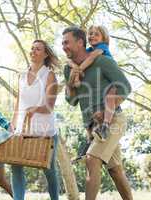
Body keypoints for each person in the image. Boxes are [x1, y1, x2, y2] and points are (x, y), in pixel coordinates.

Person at [62, 26, 133, 200]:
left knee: (91, 159)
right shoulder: (68, 69)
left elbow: (125, 87)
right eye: (62, 43)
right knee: (115, 170)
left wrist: (106, 109)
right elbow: (72, 101)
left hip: (112, 119)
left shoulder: (102, 61)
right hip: (93, 127)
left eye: (67, 42)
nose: (64, 46)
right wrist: (70, 83)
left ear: (80, 42)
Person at [10, 39, 59, 200]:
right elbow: (18, 103)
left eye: (38, 49)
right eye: (32, 49)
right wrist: (13, 123)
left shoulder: (49, 75)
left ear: (45, 54)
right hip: (22, 129)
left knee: (49, 169)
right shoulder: (22, 76)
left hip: (44, 131)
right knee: (15, 165)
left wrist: (36, 108)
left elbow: (49, 106)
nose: (33, 51)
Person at [69, 25, 116, 141]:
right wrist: (74, 66)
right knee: (88, 101)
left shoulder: (102, 47)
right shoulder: (89, 50)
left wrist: (78, 70)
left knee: (110, 98)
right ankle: (90, 133)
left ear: (103, 38)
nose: (92, 36)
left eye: (96, 34)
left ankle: (105, 125)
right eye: (90, 34)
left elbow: (90, 59)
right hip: (99, 84)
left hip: (111, 81)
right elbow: (69, 60)